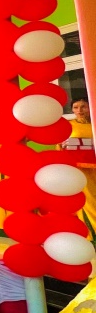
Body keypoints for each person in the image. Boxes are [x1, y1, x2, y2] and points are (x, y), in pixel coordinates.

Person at [61, 98, 95, 232]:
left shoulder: (94, 124)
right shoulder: (69, 125)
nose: (79, 110)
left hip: (94, 168)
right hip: (79, 170)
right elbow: (60, 146)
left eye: (83, 107)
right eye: (76, 107)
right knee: (89, 199)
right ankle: (92, 231)